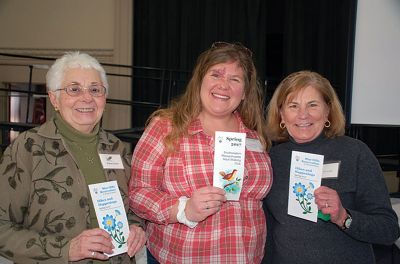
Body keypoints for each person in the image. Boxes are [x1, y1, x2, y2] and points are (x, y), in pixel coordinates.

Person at [129, 42, 273, 263]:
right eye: (216, 74)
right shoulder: (165, 127)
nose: (223, 85)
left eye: (235, 79)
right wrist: (183, 209)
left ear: (244, 93)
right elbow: (139, 193)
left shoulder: (255, 138)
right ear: (199, 82)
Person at [0, 52, 146, 263]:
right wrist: (66, 249)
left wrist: (136, 227)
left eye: (95, 89)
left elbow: (133, 207)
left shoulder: (115, 147)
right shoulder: (28, 148)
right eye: (74, 89)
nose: (87, 98)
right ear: (54, 99)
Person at [263, 70, 400, 263]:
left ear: (327, 110)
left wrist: (343, 217)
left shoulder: (355, 153)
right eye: (293, 106)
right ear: (281, 115)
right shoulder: (272, 159)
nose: (303, 115)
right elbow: (268, 231)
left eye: (313, 105)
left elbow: (388, 230)